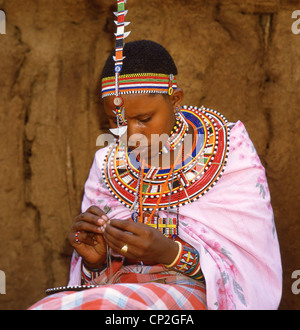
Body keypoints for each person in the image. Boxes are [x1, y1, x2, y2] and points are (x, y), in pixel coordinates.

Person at [29, 39, 282, 310]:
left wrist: (170, 254)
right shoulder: (106, 162)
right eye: (116, 122)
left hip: (197, 298)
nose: (130, 135)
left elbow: (249, 268)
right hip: (120, 294)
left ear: (175, 100)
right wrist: (96, 261)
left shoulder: (230, 149)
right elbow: (105, 278)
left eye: (144, 119)